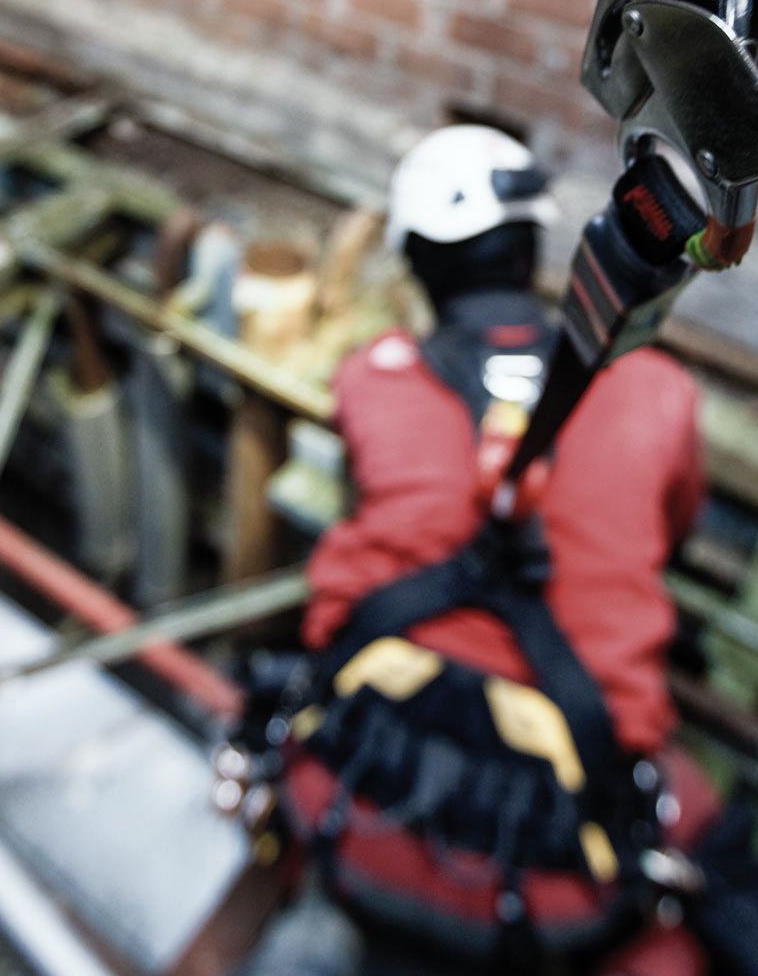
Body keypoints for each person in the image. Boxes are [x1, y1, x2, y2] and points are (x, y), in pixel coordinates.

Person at [243, 125, 713, 975]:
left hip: (352, 803)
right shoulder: (659, 393)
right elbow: (672, 534)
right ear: (535, 245)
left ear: (416, 266)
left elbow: (378, 499)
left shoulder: (370, 375)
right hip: (562, 882)